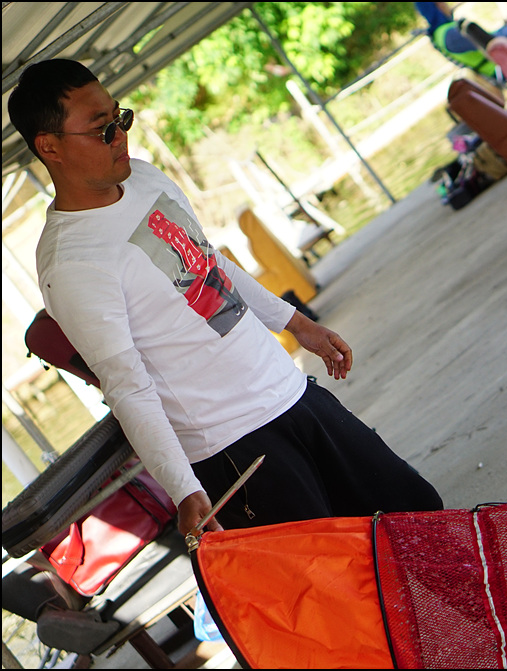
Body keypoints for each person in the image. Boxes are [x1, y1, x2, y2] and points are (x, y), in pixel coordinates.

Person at [7, 59, 444, 539]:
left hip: (289, 390)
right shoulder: (71, 263)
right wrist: (184, 489)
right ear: (50, 147)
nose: (121, 137)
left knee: (418, 514)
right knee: (332, 568)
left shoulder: (146, 178)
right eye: (103, 129)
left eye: (121, 118)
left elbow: (209, 261)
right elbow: (127, 386)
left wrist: (297, 323)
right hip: (231, 445)